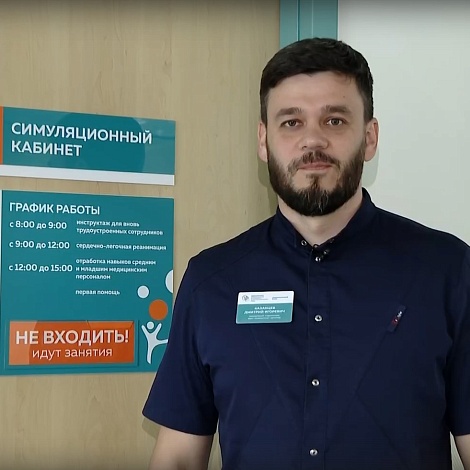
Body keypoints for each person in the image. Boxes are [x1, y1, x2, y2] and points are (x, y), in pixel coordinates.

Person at [142, 37, 470, 470]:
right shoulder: (211, 282)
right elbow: (178, 458)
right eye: (291, 122)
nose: (313, 140)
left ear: (369, 137)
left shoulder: (448, 272)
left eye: (334, 120)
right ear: (264, 141)